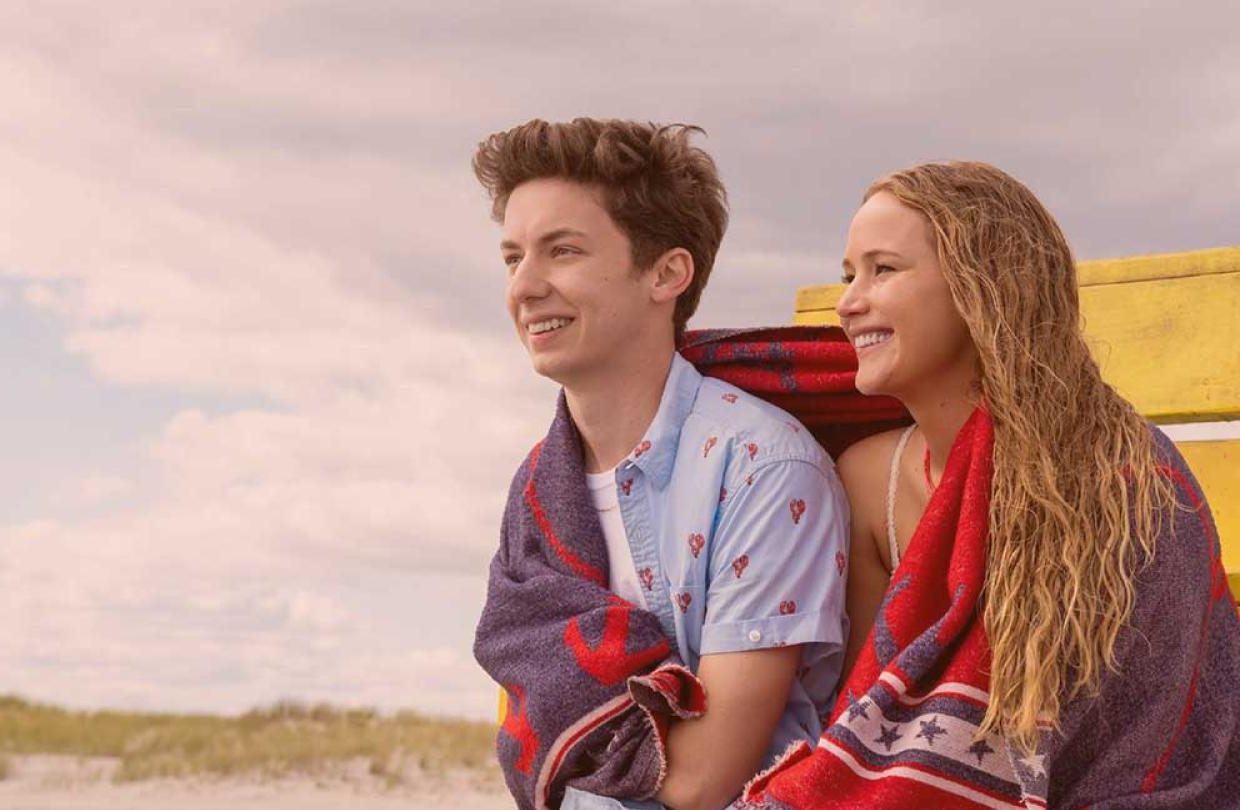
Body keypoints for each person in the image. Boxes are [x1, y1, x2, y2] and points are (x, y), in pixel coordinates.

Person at [742, 161, 1240, 809]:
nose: (848, 302)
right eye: (848, 274)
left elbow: (1150, 731)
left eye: (883, 269)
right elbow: (871, 715)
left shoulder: (1125, 481)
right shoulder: (867, 477)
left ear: (985, 287)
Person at [471, 118, 849, 810]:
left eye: (562, 252)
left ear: (667, 273)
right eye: (511, 258)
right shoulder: (538, 493)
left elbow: (703, 781)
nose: (524, 287)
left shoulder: (762, 469)